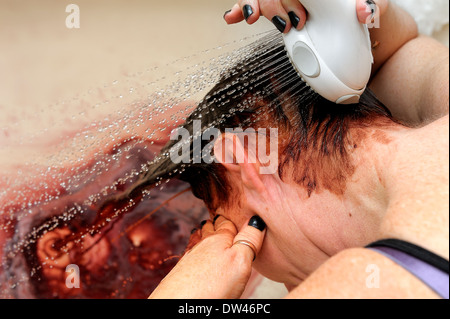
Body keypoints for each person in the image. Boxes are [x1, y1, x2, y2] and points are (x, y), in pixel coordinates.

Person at [148, 0, 449, 298]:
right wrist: (347, 16)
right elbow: (401, 48)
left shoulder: (364, 282)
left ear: (239, 157)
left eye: (223, 226)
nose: (284, 286)